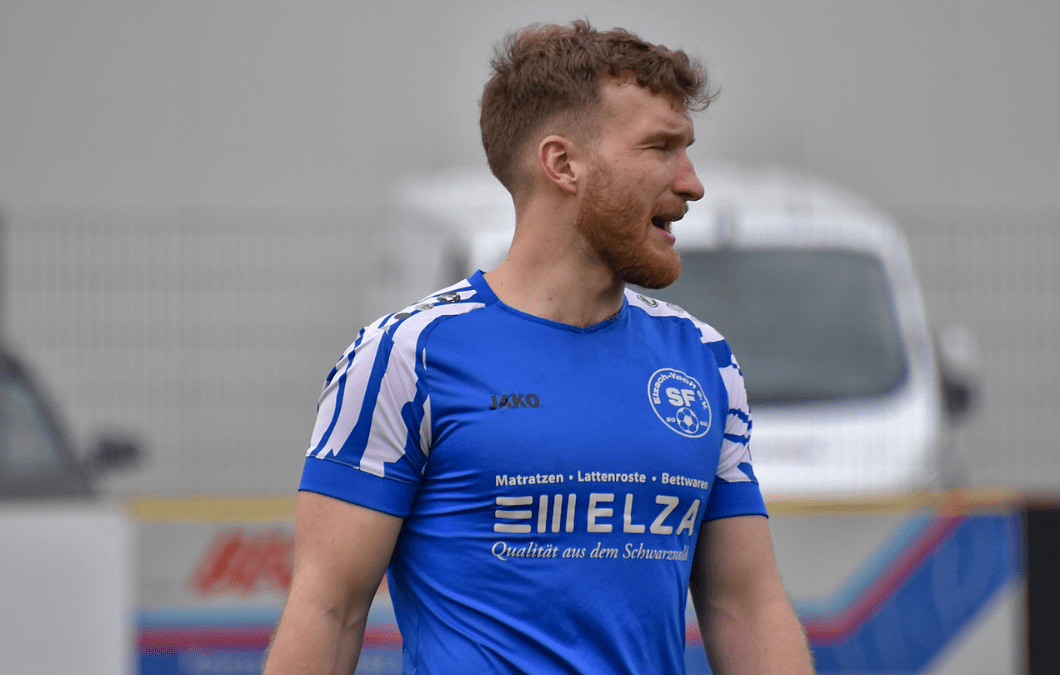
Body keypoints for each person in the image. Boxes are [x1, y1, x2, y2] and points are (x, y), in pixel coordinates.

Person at [264, 20, 814, 675]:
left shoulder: (702, 358)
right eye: (661, 147)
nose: (692, 183)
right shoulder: (407, 356)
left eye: (687, 149)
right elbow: (329, 609)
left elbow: (747, 606)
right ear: (562, 164)